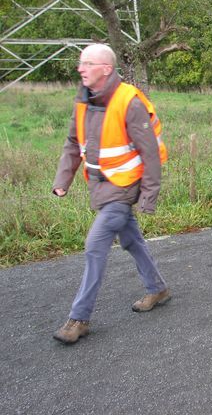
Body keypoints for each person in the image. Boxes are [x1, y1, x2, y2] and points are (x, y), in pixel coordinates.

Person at [51, 43, 170, 344]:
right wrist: (63, 179)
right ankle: (157, 288)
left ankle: (79, 318)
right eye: (81, 63)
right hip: (102, 186)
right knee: (131, 240)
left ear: (106, 68)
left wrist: (148, 196)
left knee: (95, 245)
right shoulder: (84, 99)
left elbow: (151, 154)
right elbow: (72, 142)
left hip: (124, 186)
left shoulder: (129, 102)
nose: (80, 68)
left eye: (87, 63)